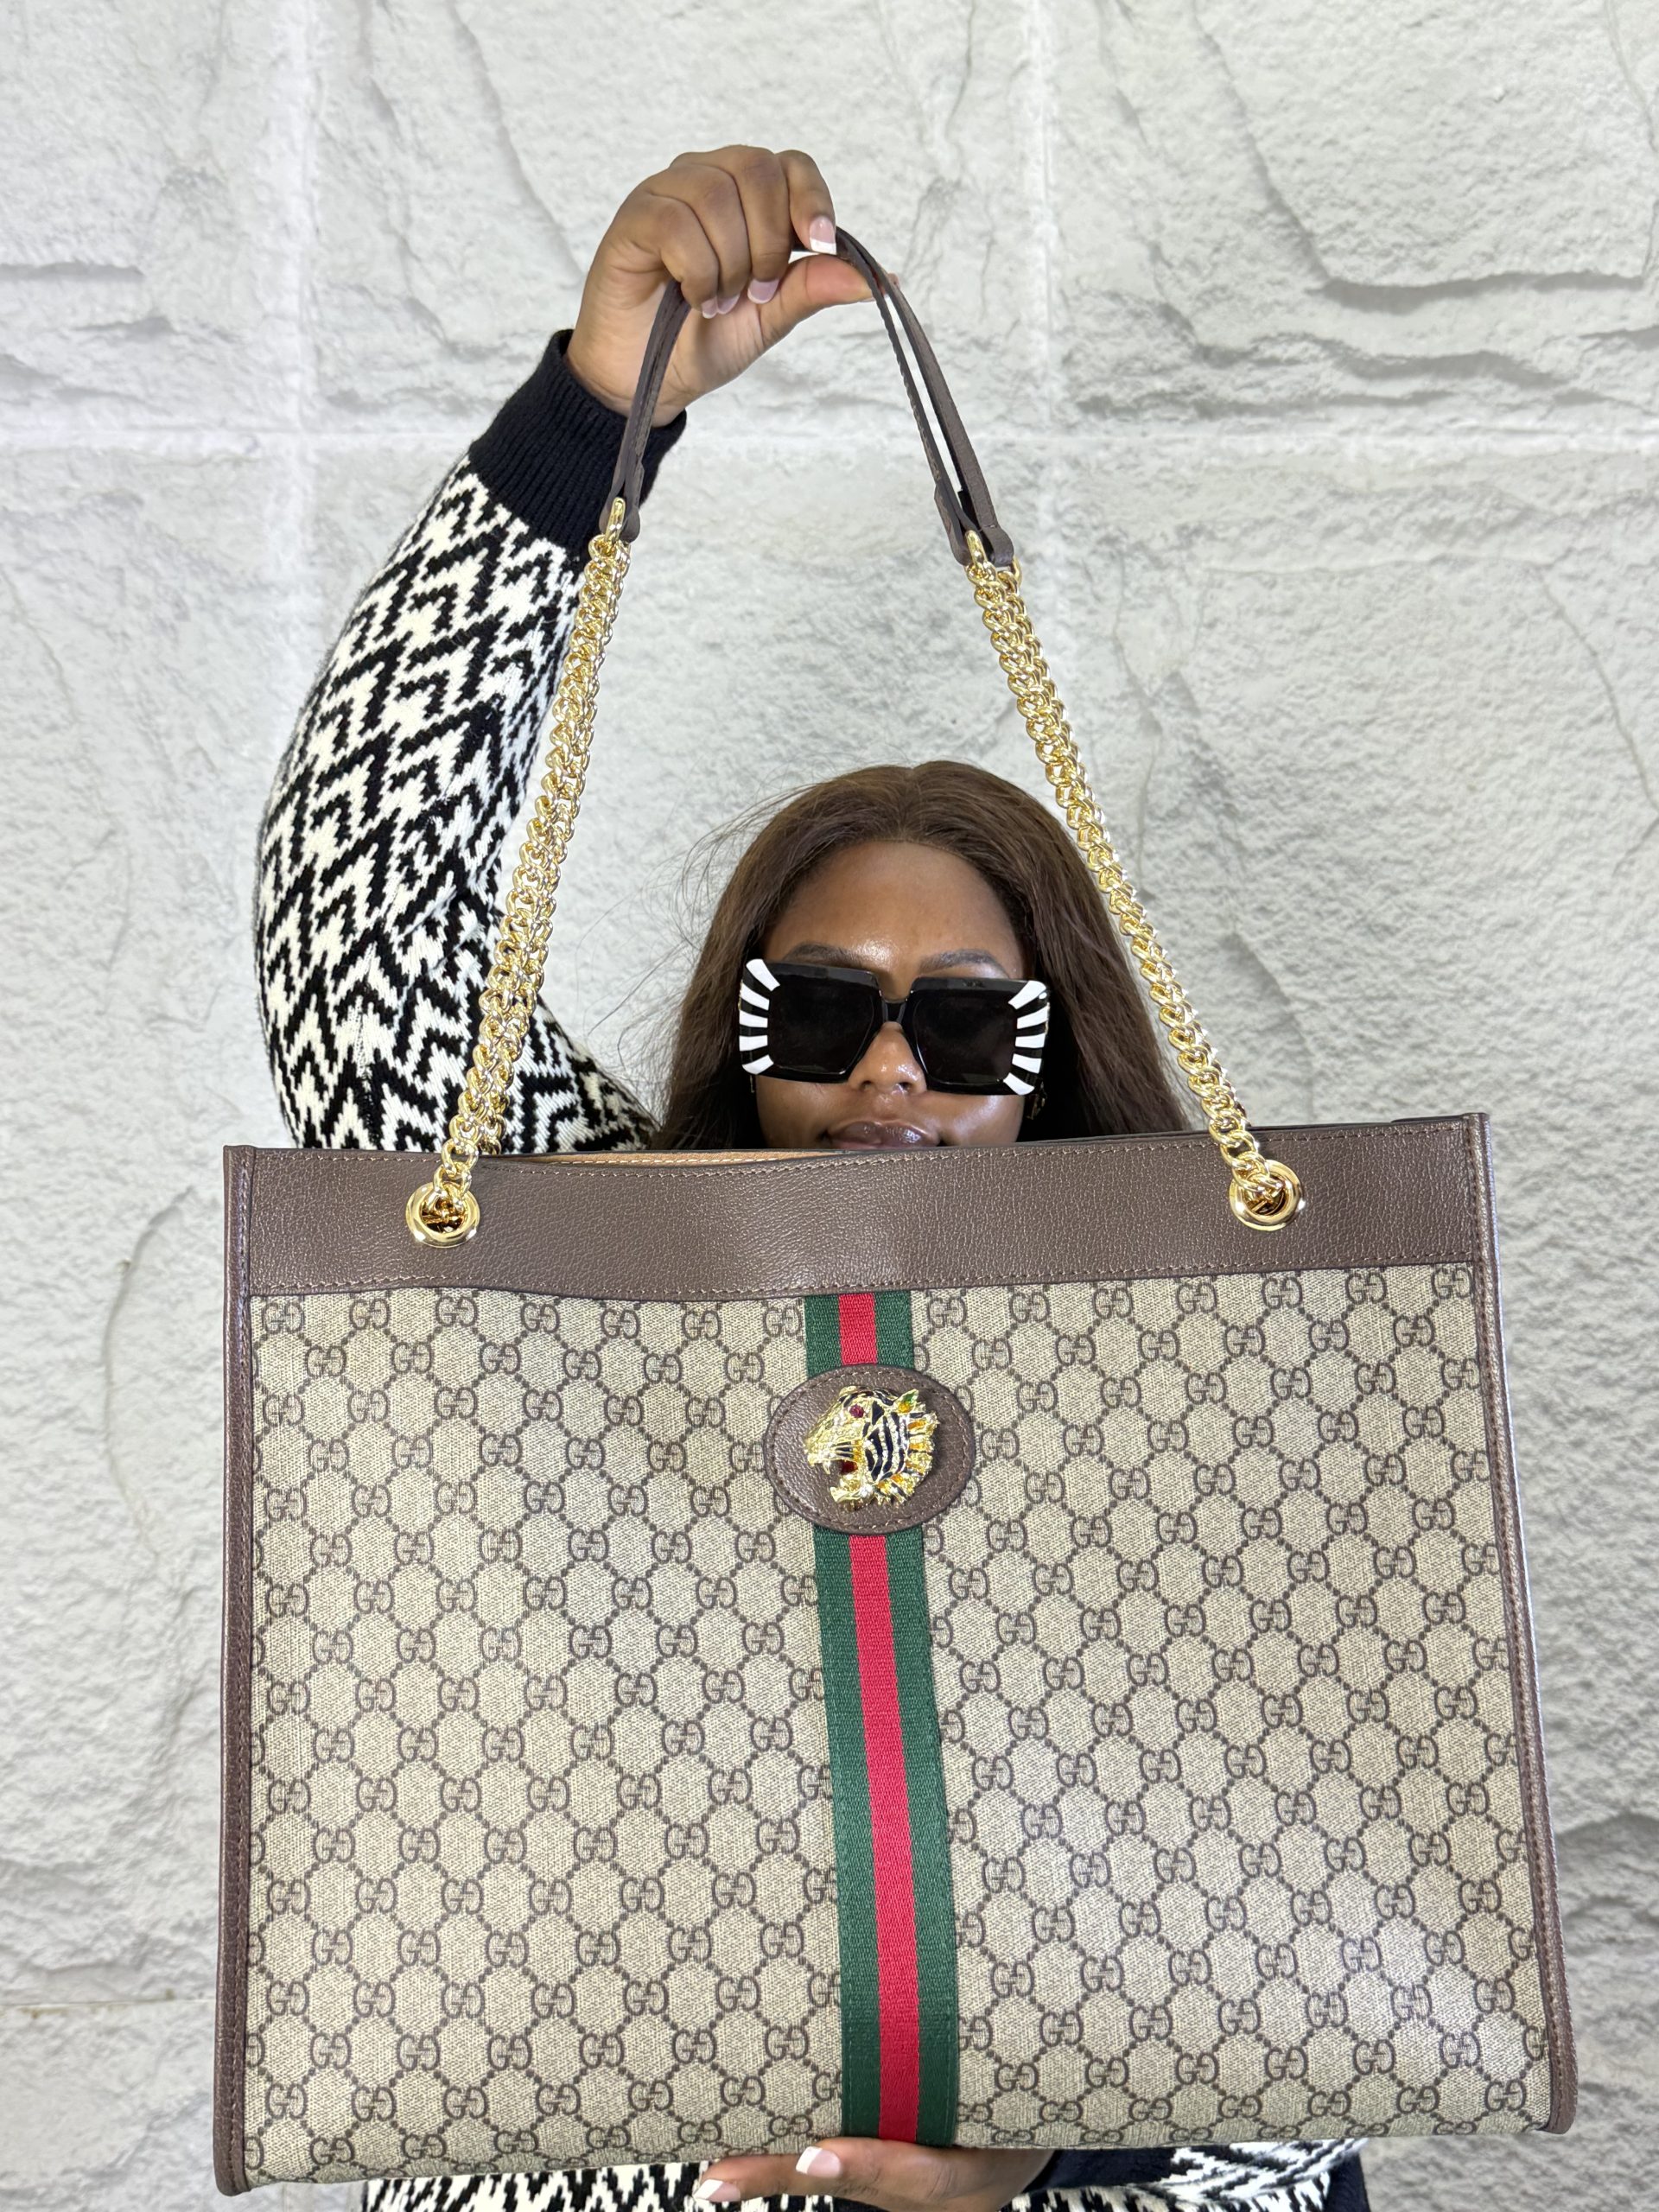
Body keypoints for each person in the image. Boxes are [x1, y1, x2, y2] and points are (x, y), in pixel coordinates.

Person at [256, 145, 1371, 2212]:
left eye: (966, 1024)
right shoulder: (573, 1264)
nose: (886, 1070)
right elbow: (364, 903)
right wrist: (595, 420)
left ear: (1056, 1057)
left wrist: (1053, 2158)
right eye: (823, 1005)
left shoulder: (1212, 1371)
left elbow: (1330, 1969)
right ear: (738, 1020)